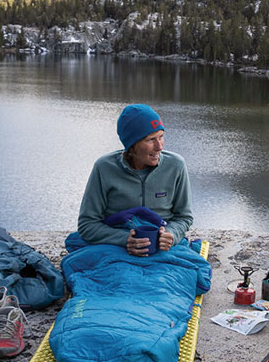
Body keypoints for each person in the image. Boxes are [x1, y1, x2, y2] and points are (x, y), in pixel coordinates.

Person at [78, 104, 193, 256]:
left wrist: (172, 234)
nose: (159, 146)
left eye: (161, 136)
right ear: (132, 145)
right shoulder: (104, 168)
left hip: (163, 248)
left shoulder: (176, 165)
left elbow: (184, 217)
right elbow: (87, 225)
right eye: (150, 140)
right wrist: (125, 239)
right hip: (116, 247)